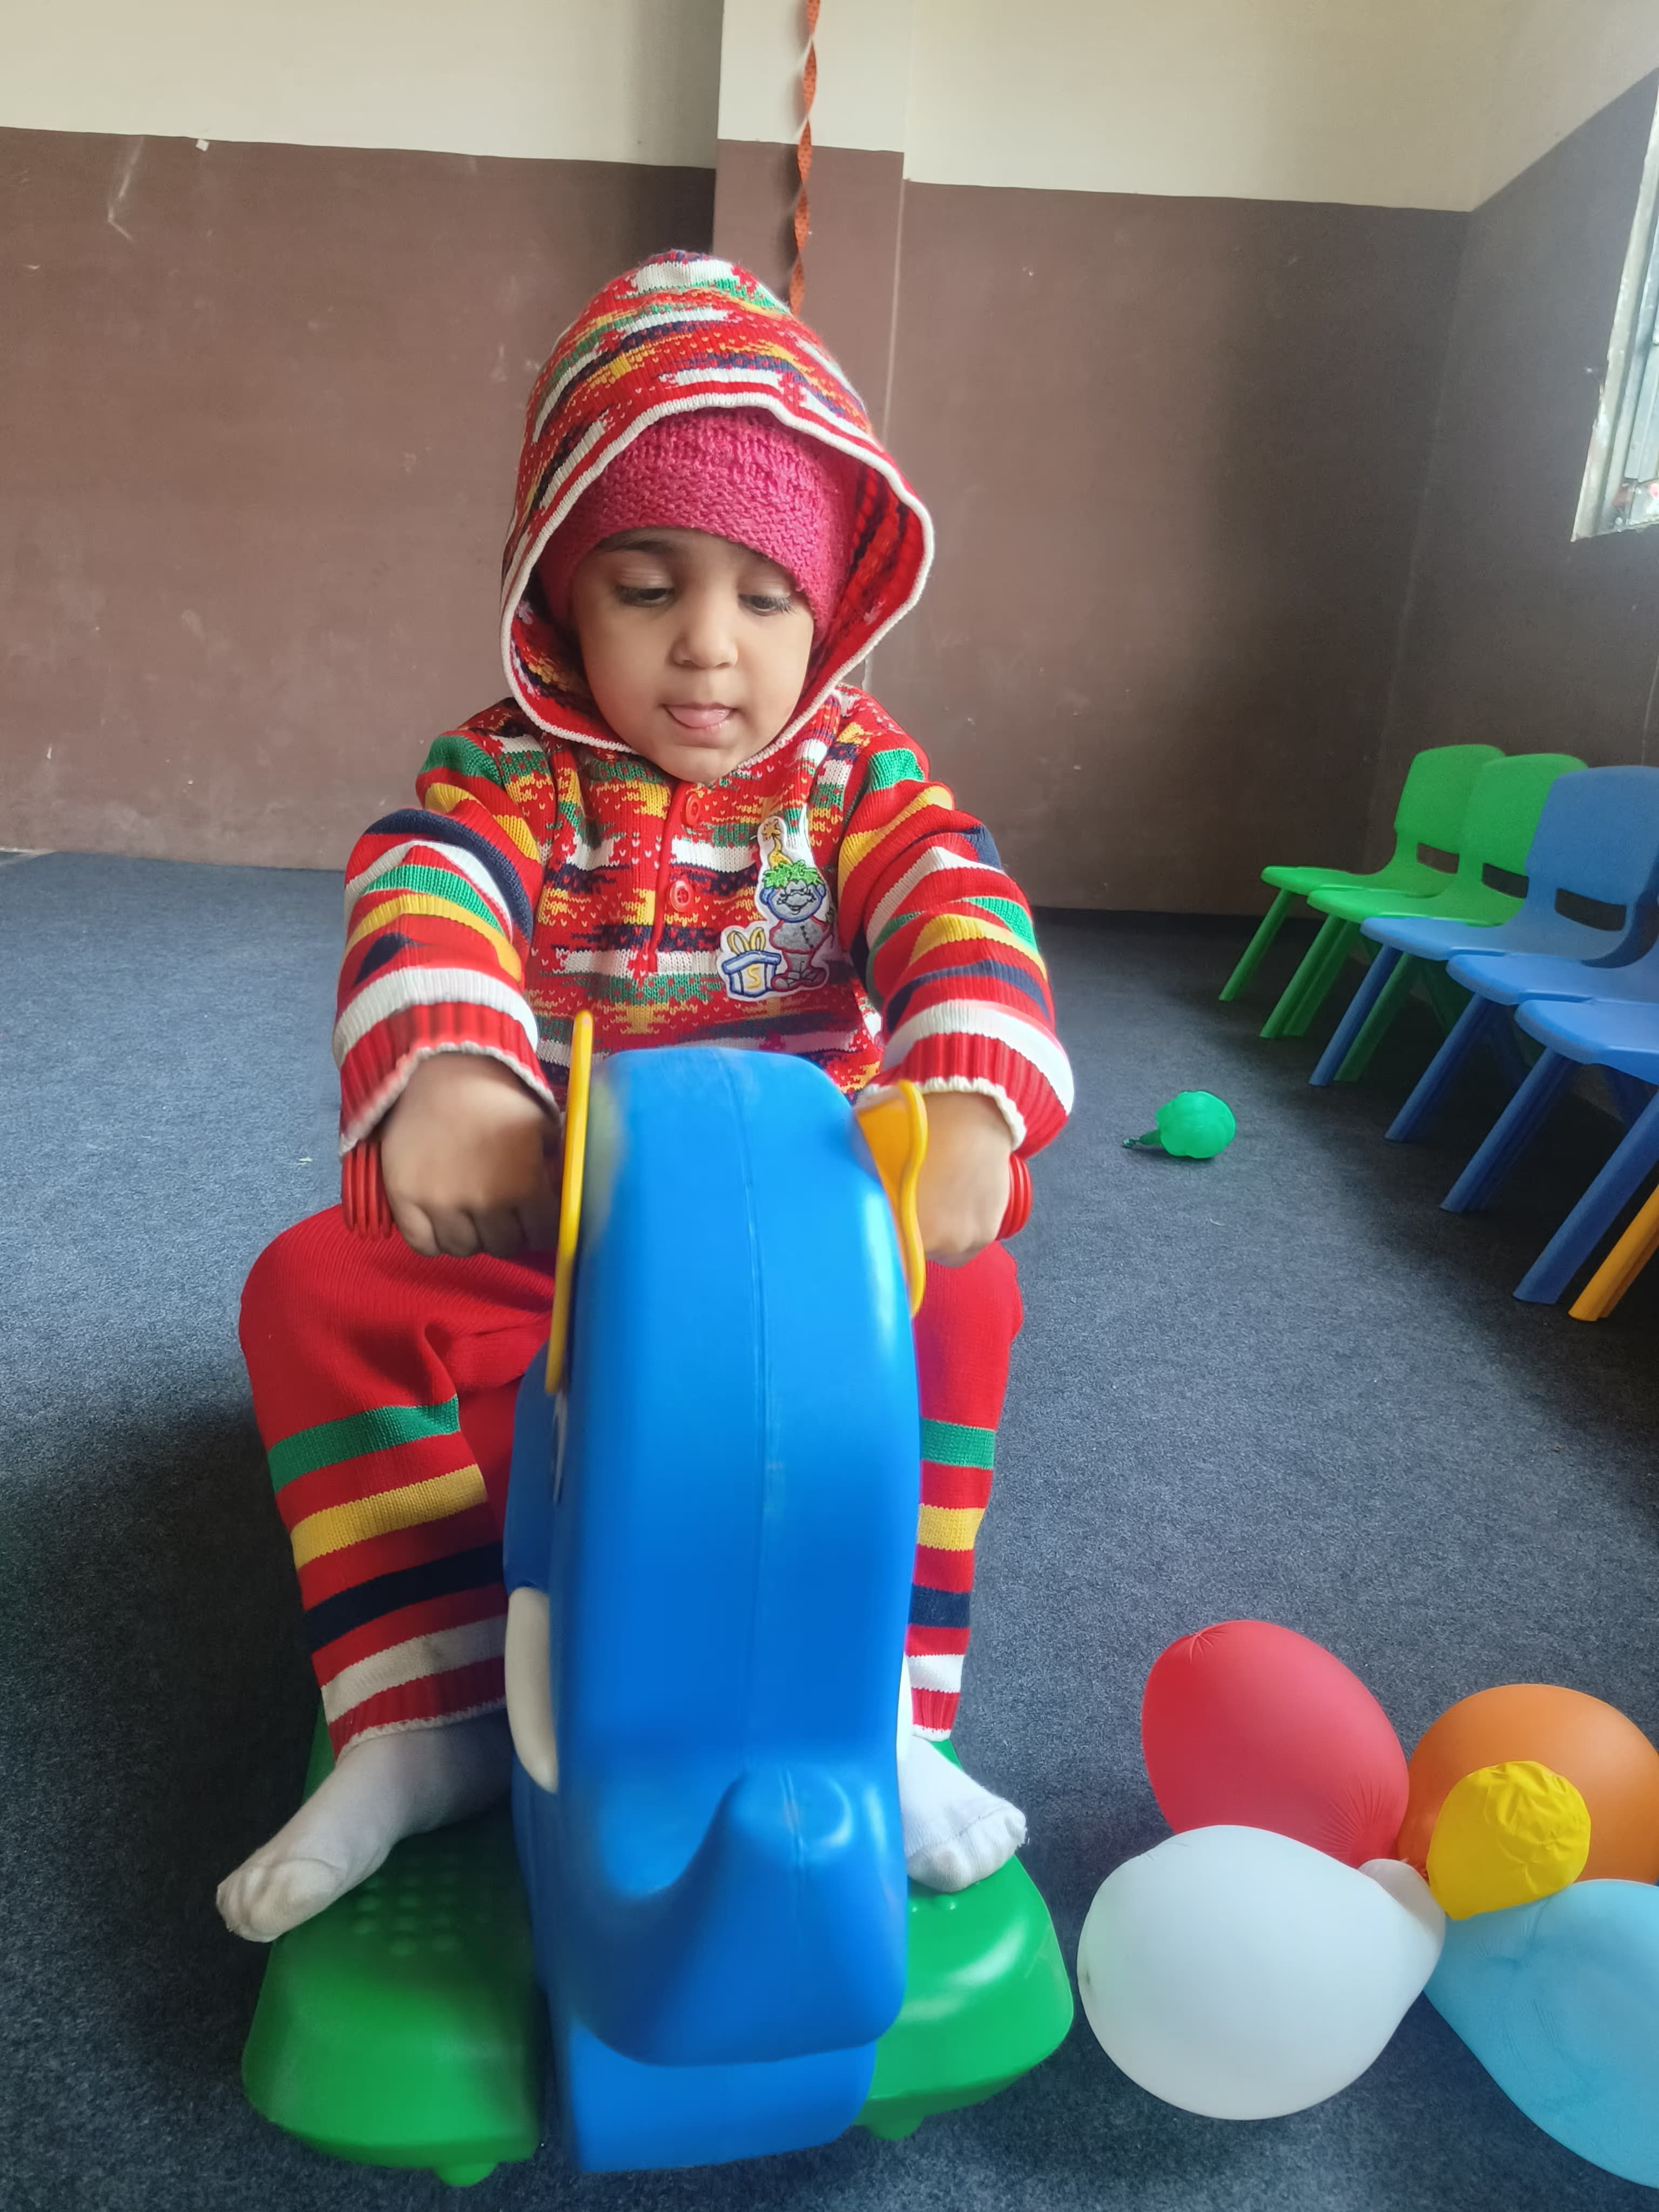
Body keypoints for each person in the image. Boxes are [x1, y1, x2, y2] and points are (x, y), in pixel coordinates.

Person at [217, 253, 1074, 1944]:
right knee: (310, 1293)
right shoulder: (508, 770)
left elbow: (957, 898)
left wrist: (968, 1091)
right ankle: (430, 1710)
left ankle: (875, 1705)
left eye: (766, 597)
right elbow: (428, 883)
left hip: (810, 1241)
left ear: (832, 611)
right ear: (561, 588)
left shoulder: (859, 775)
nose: (708, 646)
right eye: (647, 586)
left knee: (969, 1306)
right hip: (565, 1218)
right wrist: (451, 1069)